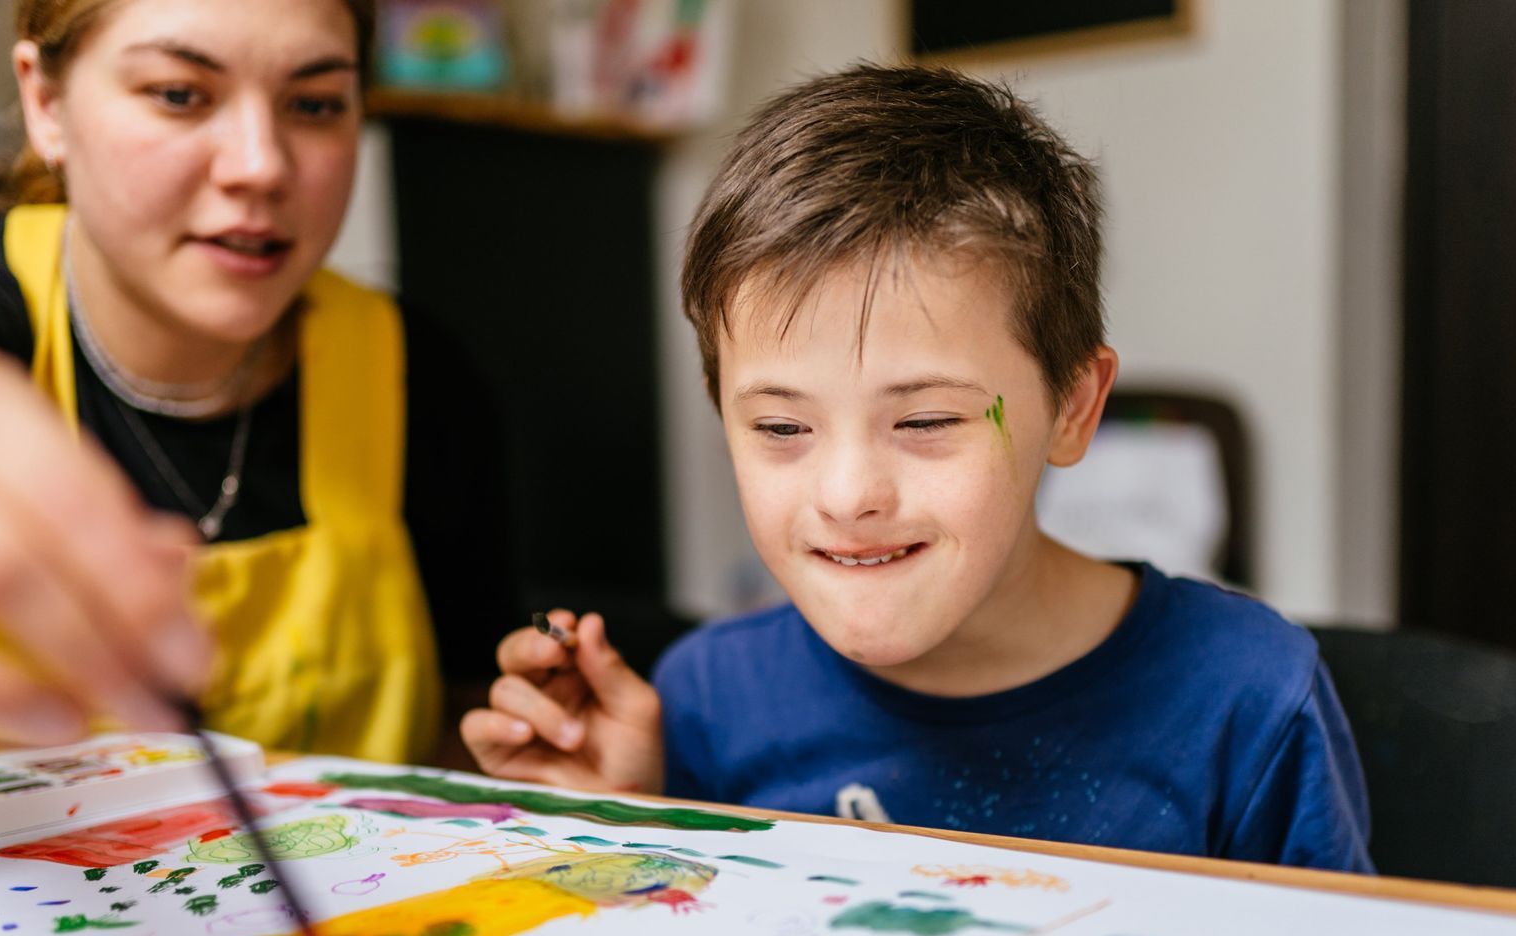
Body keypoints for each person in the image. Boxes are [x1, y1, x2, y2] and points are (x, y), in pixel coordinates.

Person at [463, 64, 1372, 871]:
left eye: (927, 420)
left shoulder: (1246, 697)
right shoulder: (704, 700)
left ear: (1073, 407)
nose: (848, 495)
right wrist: (622, 826)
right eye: (781, 428)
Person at [0, 0, 510, 772]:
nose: (261, 164)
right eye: (180, 95)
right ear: (46, 105)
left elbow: (450, 726)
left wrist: (531, 759)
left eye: (315, 104)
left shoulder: (415, 373)